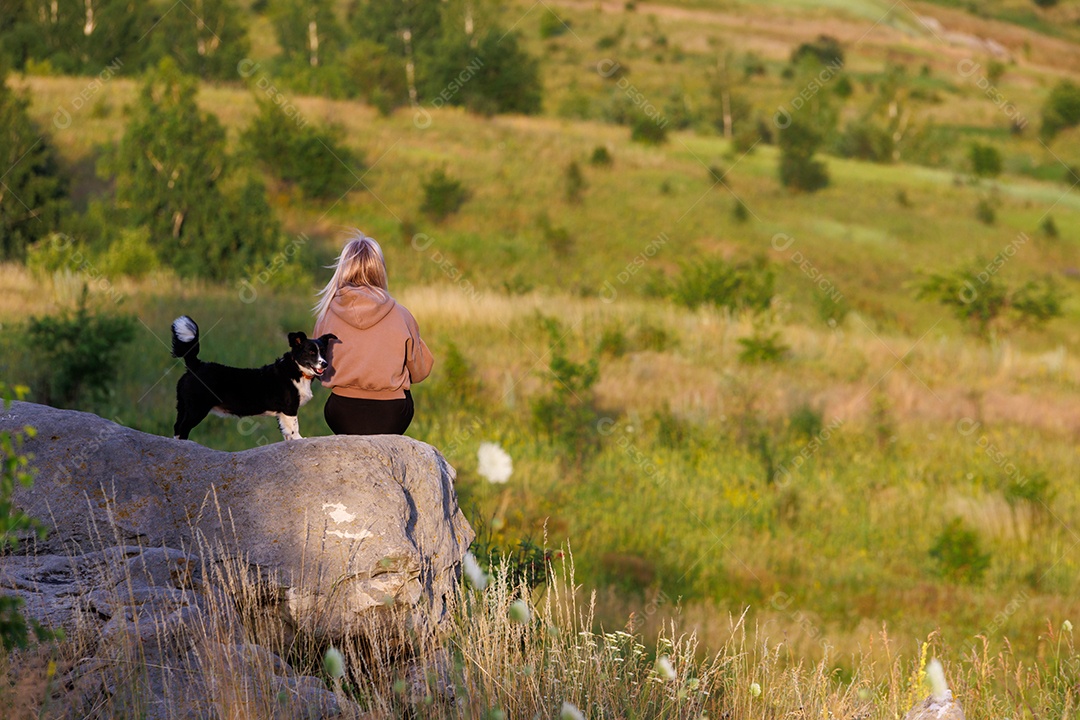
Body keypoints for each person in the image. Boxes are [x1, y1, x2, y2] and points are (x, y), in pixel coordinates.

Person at [313, 231, 434, 435]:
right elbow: (420, 371)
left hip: (341, 413)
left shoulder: (327, 315)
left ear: (343, 270)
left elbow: (317, 369)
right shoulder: (401, 314)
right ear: (380, 270)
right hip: (392, 414)